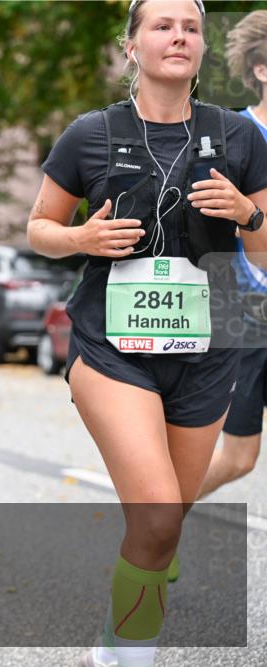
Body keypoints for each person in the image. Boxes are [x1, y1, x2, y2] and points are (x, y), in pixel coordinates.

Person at [25, 2, 267, 665]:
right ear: (132, 47)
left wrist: (247, 212)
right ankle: (123, 654)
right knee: (159, 517)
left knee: (163, 526)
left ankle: (129, 611)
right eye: (161, 25)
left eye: (190, 26)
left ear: (202, 47)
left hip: (212, 345)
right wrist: (81, 237)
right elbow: (38, 227)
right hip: (111, 347)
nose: (180, 35)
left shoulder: (240, 138)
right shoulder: (90, 133)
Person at [196, 9, 267, 500]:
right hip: (245, 312)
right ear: (261, 69)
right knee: (240, 457)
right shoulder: (232, 137)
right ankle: (160, 523)